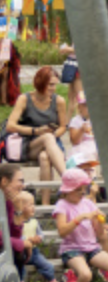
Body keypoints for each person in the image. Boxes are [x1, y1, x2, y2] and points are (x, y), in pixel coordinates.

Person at [6, 67, 68, 204]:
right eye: (51, 84)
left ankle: (45, 204)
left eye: (55, 85)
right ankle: (67, 177)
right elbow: (10, 126)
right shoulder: (25, 99)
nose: (54, 88)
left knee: (45, 157)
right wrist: (37, 131)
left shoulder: (59, 101)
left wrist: (53, 134)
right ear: (41, 82)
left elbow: (63, 126)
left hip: (52, 145)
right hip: (30, 144)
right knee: (47, 138)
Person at [53, 168, 108, 282]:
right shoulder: (62, 205)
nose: (83, 192)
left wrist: (100, 221)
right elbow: (62, 231)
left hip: (92, 247)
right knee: (85, 275)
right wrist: (80, 218)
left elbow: (99, 233)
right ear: (68, 191)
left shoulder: (88, 203)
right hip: (71, 249)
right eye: (78, 189)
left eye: (84, 189)